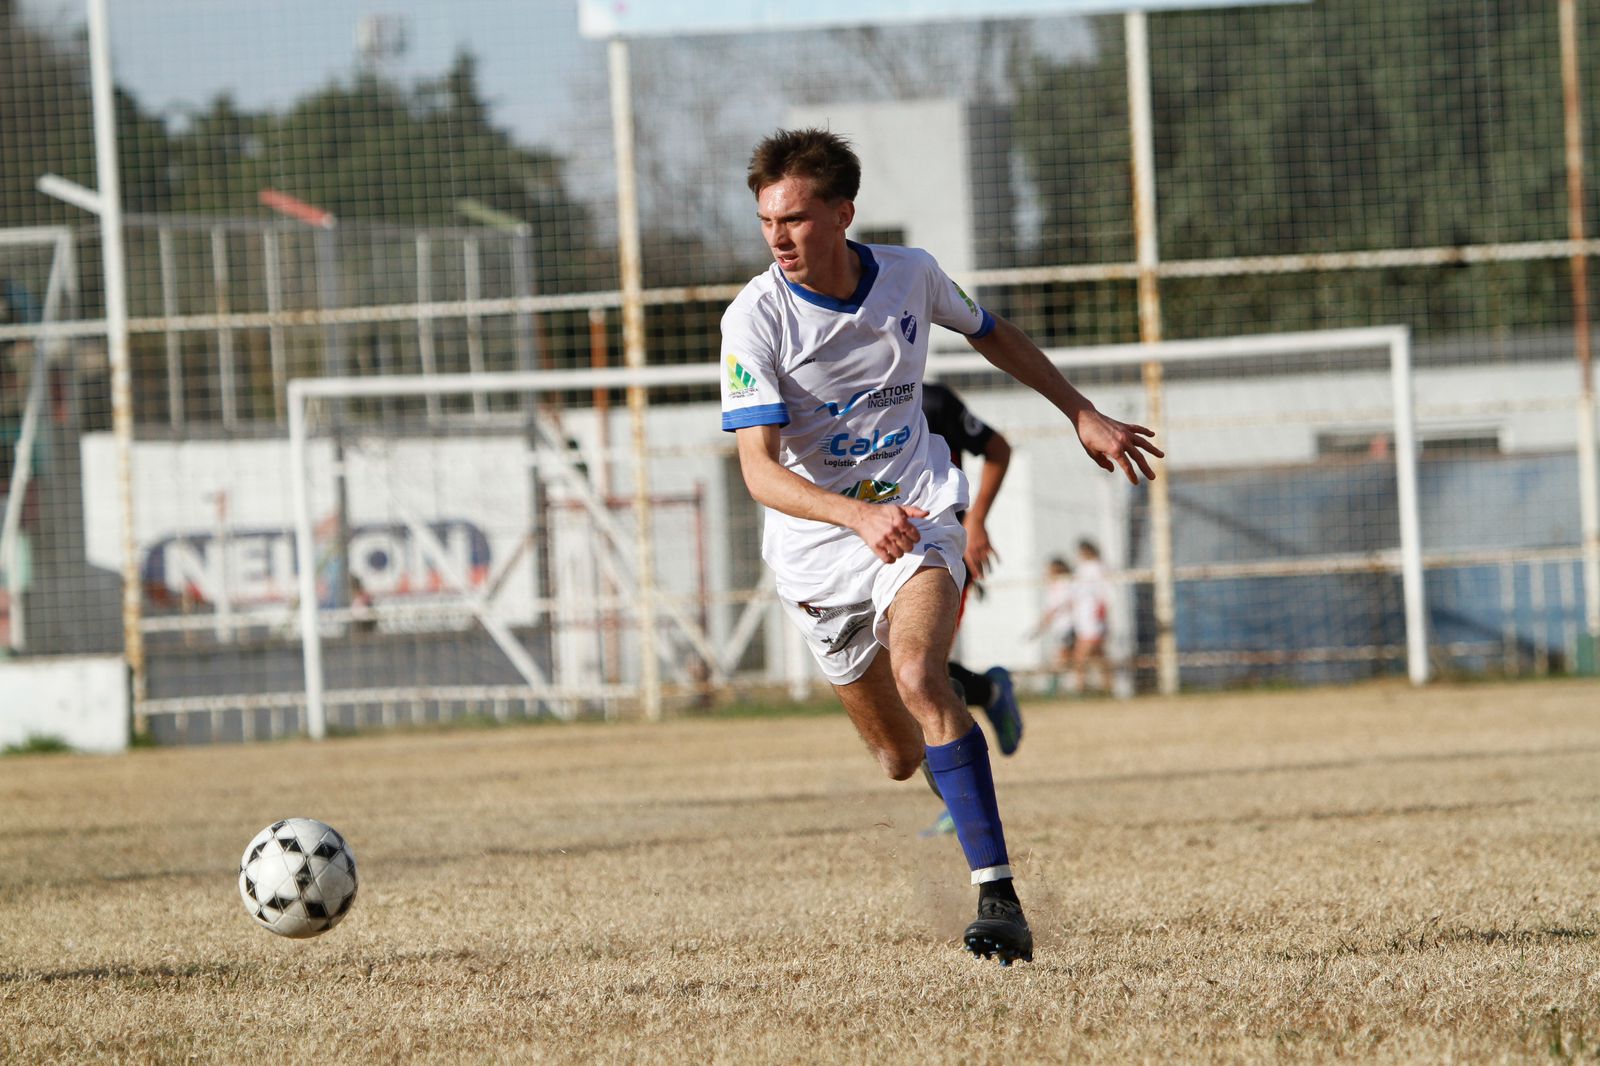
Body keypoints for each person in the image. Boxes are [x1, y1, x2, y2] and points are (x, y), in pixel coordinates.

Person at [720, 129, 1162, 965]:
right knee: (895, 756)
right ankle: (964, 742)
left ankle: (997, 896)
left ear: (842, 213)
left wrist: (1081, 411)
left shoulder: (912, 275)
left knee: (921, 672)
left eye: (795, 218)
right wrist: (849, 518)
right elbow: (758, 473)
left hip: (918, 516)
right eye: (766, 221)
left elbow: (991, 331)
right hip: (820, 553)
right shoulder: (755, 319)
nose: (777, 236)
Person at [919, 381, 1021, 837]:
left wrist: (975, 520)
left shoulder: (935, 401)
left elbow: (997, 448)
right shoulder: (844, 399)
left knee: (924, 674)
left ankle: (957, 805)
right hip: (877, 557)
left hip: (943, 555)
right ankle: (988, 690)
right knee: (904, 676)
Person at [1070, 539, 1113, 694]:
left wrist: (1102, 611)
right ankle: (1108, 686)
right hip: (1083, 618)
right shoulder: (1081, 568)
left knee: (1081, 654)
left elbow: (1105, 592)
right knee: (1099, 655)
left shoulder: (1098, 567)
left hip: (1093, 618)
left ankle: (1079, 687)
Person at [1031, 556, 1076, 692]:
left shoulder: (1065, 583)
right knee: (1065, 658)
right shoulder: (1054, 586)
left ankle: (1055, 687)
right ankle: (1061, 686)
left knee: (1062, 658)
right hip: (1059, 627)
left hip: (1067, 626)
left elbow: (1061, 605)